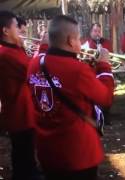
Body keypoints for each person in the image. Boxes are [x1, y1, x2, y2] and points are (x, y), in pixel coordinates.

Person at [28, 15, 114, 180]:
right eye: (78, 39)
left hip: (47, 151)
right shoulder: (78, 70)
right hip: (78, 154)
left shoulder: (33, 64)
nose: (80, 43)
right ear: (70, 41)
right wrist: (103, 65)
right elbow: (106, 98)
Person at [0, 11, 41, 180]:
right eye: (16, 26)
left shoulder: (12, 50)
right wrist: (43, 48)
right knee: (23, 152)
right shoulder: (6, 54)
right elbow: (34, 71)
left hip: (24, 111)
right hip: (19, 114)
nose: (20, 30)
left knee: (25, 151)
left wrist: (22, 47)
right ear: (5, 31)